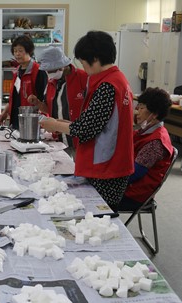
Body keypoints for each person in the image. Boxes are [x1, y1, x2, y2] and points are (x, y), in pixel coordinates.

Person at [39, 31, 134, 211]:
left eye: (83, 61)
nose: (83, 66)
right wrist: (64, 122)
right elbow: (96, 121)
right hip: (110, 164)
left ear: (95, 58)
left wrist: (55, 125)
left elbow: (86, 129)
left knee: (98, 217)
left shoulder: (108, 85)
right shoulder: (116, 79)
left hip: (107, 167)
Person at [119, 87, 173, 211]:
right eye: (138, 106)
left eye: (142, 108)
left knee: (94, 193)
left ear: (154, 114)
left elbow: (133, 175)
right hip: (130, 187)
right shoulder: (146, 130)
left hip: (134, 195)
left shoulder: (155, 143)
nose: (137, 111)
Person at [28, 46, 88, 147]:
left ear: (62, 66)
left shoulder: (83, 79)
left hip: (79, 141)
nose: (49, 74)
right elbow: (49, 109)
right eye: (47, 71)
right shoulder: (51, 82)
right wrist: (37, 103)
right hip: (58, 141)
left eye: (51, 70)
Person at [0, 35, 46, 129]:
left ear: (29, 51)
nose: (17, 54)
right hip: (15, 119)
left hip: (31, 121)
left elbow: (43, 100)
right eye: (15, 51)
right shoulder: (17, 71)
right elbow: (14, 97)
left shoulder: (38, 71)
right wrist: (5, 112)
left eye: (20, 51)